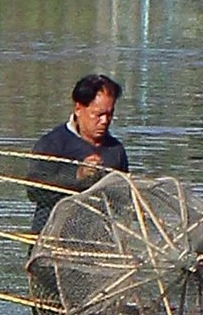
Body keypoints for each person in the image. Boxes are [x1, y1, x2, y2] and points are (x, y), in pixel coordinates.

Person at [28, 74, 129, 233]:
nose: (105, 121)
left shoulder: (115, 150)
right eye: (98, 115)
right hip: (52, 242)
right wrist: (77, 176)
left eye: (109, 114)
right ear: (78, 108)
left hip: (98, 243)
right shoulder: (53, 144)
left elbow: (122, 202)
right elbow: (34, 191)